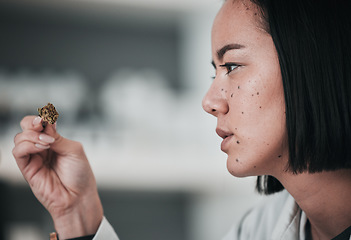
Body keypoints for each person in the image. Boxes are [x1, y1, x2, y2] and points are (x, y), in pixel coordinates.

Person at [12, 0, 351, 239]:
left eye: (232, 66)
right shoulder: (260, 229)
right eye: (214, 73)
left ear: (311, 64)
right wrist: (75, 210)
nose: (209, 102)